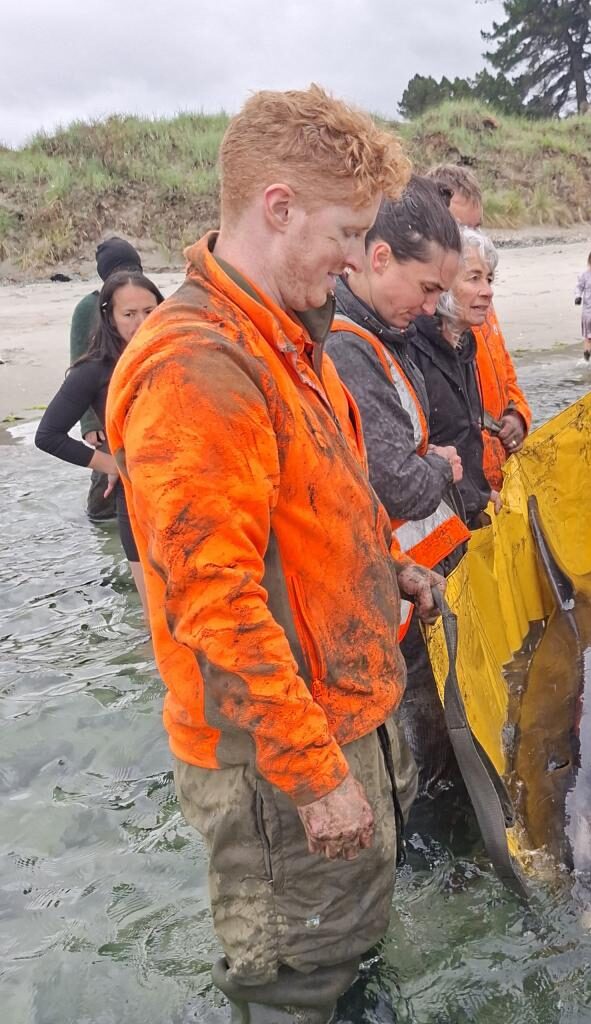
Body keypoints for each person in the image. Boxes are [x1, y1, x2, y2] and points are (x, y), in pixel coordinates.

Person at [105, 85, 444, 1023]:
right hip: (281, 765)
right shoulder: (198, 367)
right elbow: (211, 601)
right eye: (345, 232)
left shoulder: (294, 337)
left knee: (352, 952)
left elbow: (319, 510)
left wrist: (389, 569)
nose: (353, 255)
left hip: (349, 720)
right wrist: (315, 776)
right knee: (296, 984)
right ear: (278, 206)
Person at [325, 176, 470, 796]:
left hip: (412, 591)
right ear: (378, 257)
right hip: (393, 611)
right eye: (429, 287)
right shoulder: (349, 349)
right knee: (419, 768)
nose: (434, 306)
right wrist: (438, 465)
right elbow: (402, 486)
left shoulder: (386, 334)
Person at [37, 269, 162, 613]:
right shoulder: (95, 369)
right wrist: (112, 464)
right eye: (129, 314)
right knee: (157, 621)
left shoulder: (174, 355)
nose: (141, 322)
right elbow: (48, 435)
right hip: (136, 503)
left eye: (150, 312)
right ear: (109, 316)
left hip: (185, 495)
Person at [429, 162, 531, 491]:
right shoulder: (425, 318)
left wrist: (518, 416)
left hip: (497, 478)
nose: (472, 241)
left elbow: (507, 375)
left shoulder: (480, 302)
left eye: (478, 229)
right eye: (461, 229)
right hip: (463, 487)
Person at [408, 227, 498, 530]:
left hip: (465, 516)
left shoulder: (464, 345)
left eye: (489, 279)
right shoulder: (412, 347)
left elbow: (463, 435)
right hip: (433, 525)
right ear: (443, 282)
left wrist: (480, 493)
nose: (487, 291)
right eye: (474, 278)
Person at [69, 237, 142, 522]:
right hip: (105, 410)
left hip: (140, 408)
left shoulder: (146, 300)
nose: (128, 277)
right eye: (121, 271)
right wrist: (88, 423)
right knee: (103, 499)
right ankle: (104, 534)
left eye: (134, 270)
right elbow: (78, 366)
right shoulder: (89, 309)